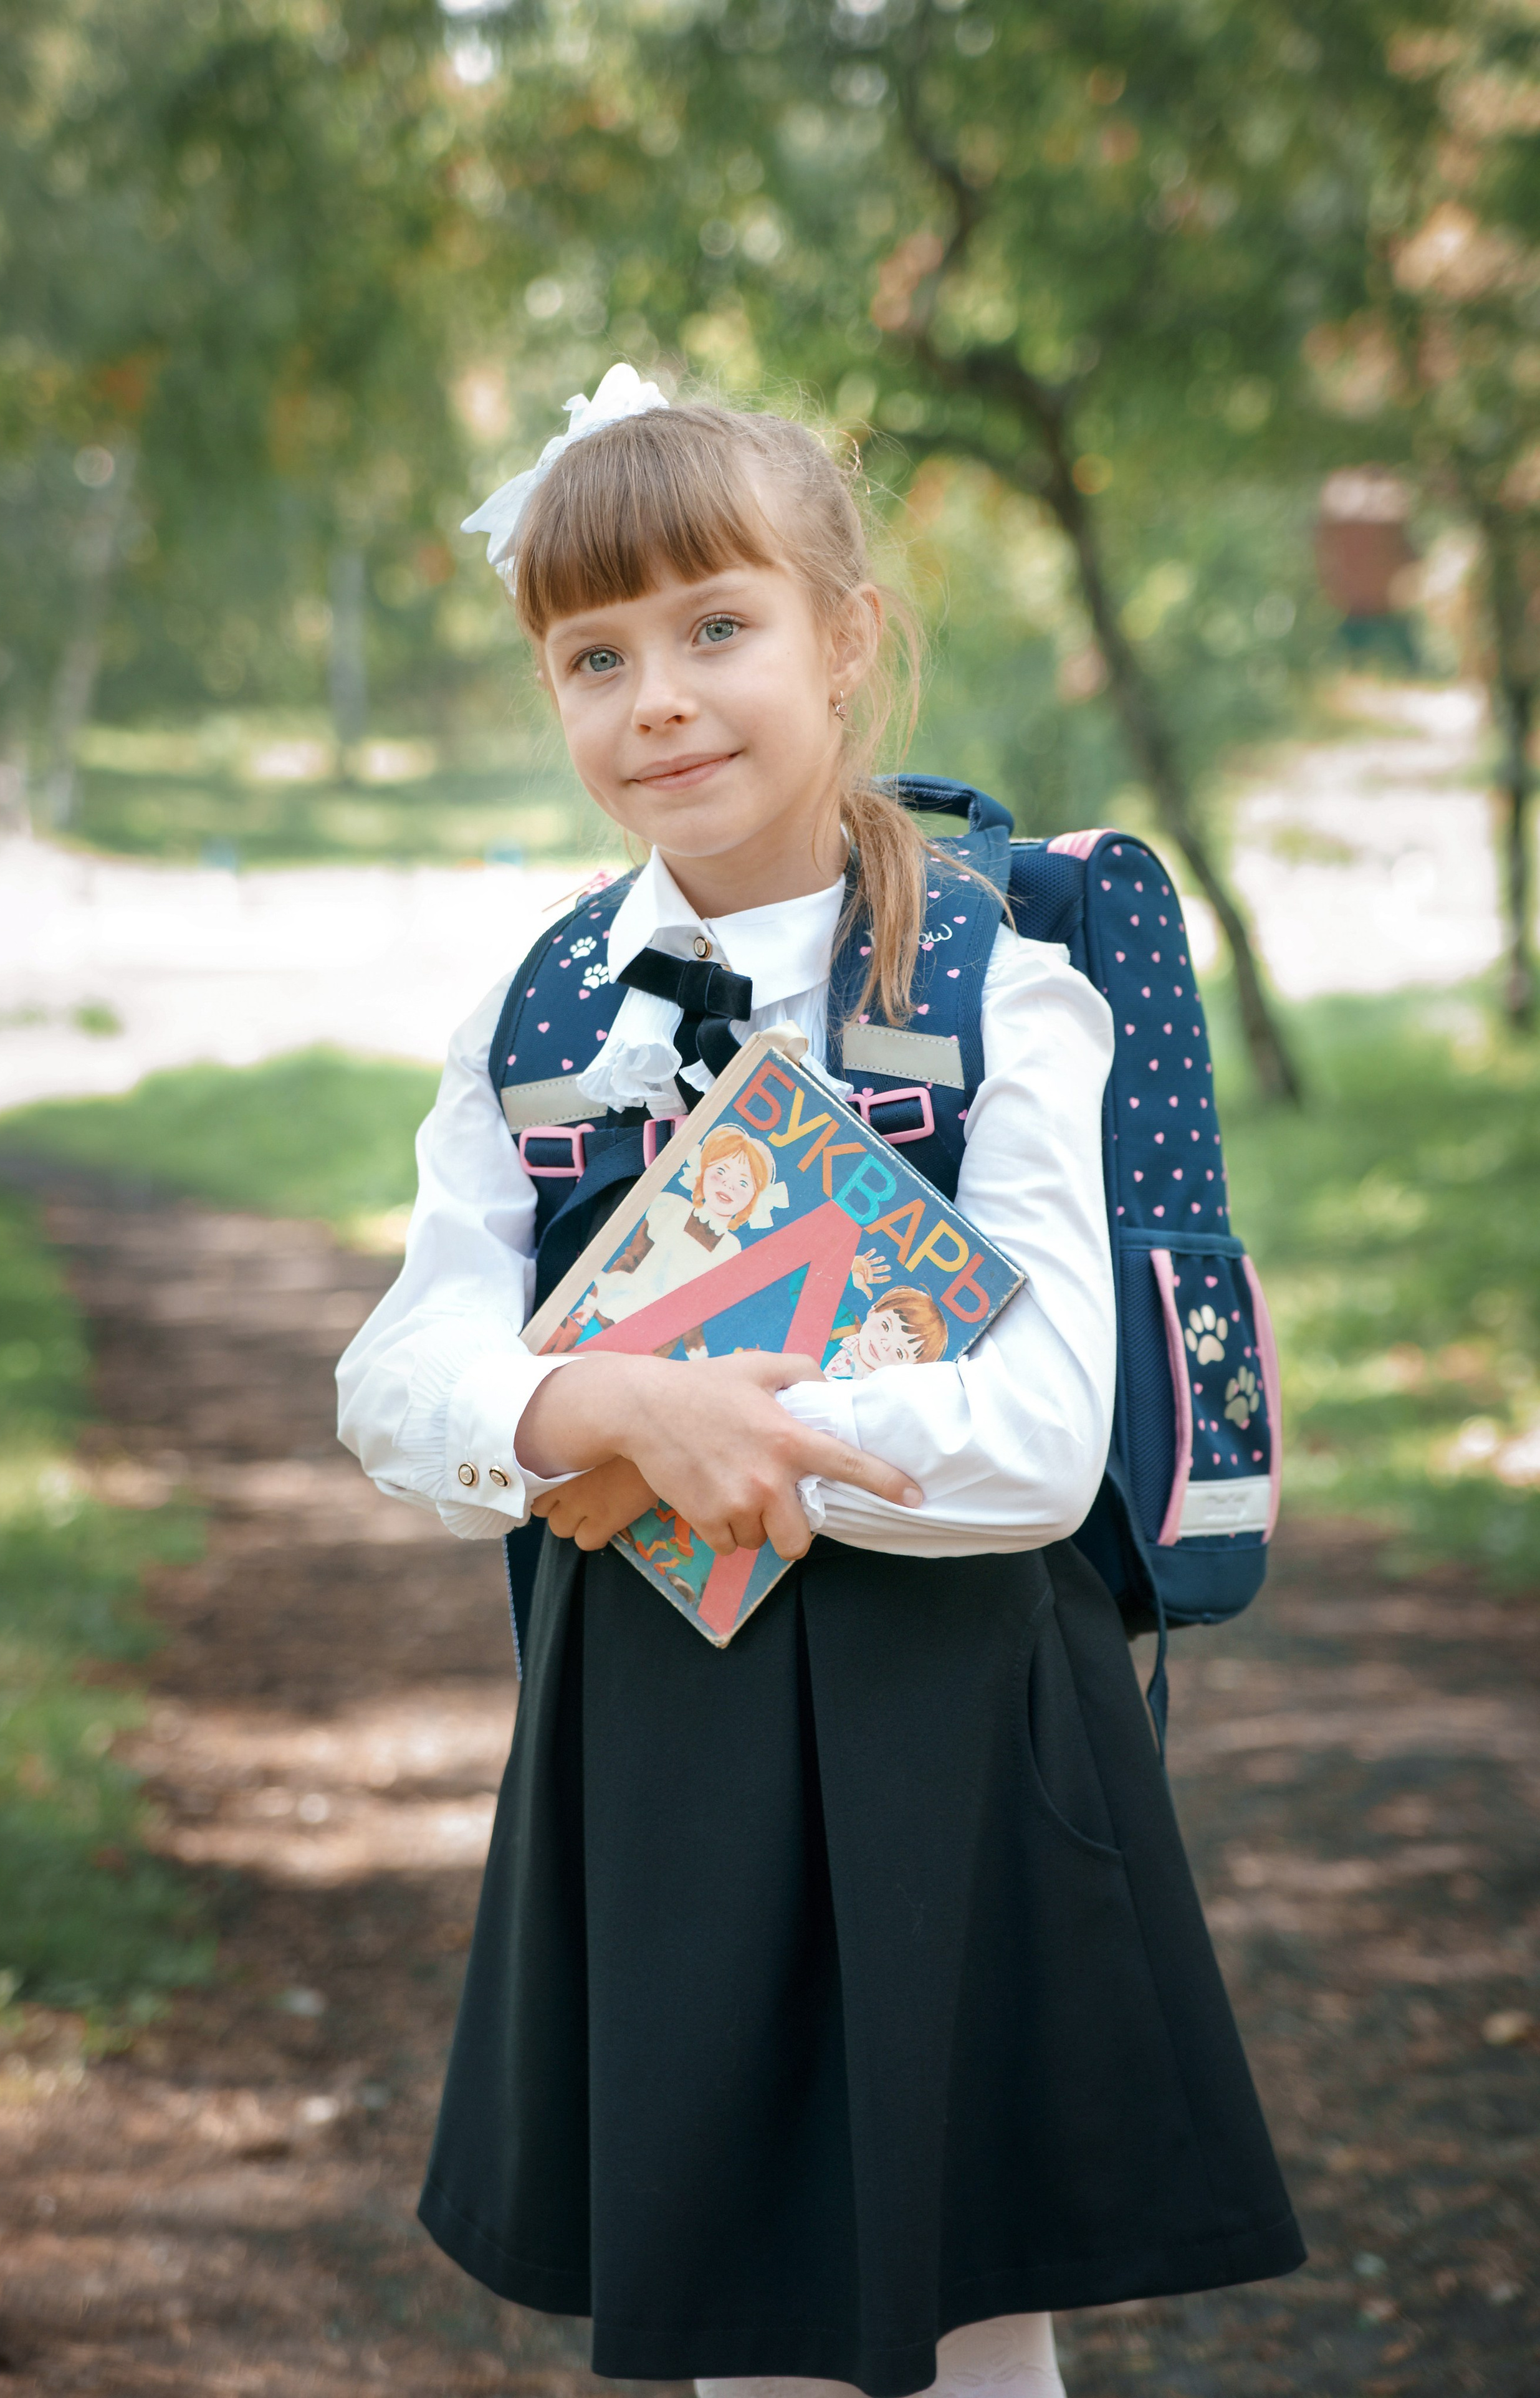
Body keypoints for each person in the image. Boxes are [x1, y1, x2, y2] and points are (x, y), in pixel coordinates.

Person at [335, 367, 1303, 2398]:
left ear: (846, 639)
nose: (658, 698)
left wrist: (729, 1432)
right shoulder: (542, 1013)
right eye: (593, 656)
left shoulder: (998, 985)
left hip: (943, 1720)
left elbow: (1044, 1437)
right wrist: (581, 1413)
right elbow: (406, 1358)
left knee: (964, 2311)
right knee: (737, 2308)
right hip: (659, 1736)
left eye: (717, 628)